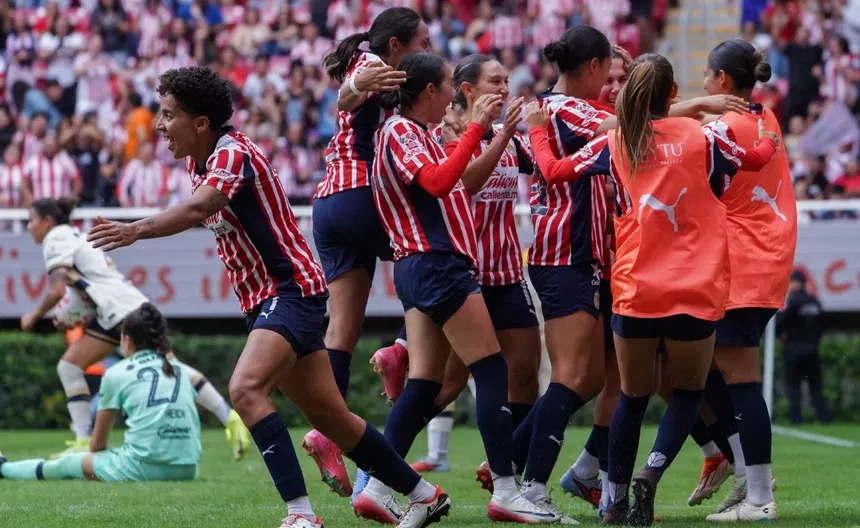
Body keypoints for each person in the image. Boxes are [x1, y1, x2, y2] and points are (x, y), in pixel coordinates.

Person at [86, 66, 449, 528]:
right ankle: (424, 495)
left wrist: (136, 229)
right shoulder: (200, 161)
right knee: (331, 417)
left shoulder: (232, 153)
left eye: (168, 115)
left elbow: (200, 207)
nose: (159, 125)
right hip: (268, 297)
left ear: (201, 123)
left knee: (245, 389)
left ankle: (300, 515)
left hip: (289, 289)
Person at [524, 52, 779, 526]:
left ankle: (615, 501)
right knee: (687, 392)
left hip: (636, 288)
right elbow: (757, 158)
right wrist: (767, 134)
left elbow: (554, 171)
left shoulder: (616, 140)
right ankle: (652, 473)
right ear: (674, 94)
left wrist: (538, 130)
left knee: (632, 397)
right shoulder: (707, 138)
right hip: (696, 287)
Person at [364, 51, 556, 524]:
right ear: (431, 91)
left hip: (423, 267)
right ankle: (507, 490)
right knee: (490, 371)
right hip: (440, 264)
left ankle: (378, 485)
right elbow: (441, 182)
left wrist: (492, 132)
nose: (453, 94)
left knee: (426, 383)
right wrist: (477, 131)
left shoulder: (412, 132)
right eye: (449, 85)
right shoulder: (404, 132)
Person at [392, 55, 539, 477]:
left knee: (526, 376)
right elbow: (463, 182)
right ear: (467, 89)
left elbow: (544, 163)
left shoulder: (509, 139)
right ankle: (382, 463)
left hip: (507, 273)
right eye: (494, 82)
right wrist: (499, 135)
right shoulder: (446, 135)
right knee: (446, 385)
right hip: (466, 276)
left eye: (506, 81)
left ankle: (508, 470)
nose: (504, 89)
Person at [19, 196, 249, 461]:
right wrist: (72, 313)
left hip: (125, 310)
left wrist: (34, 315)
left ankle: (230, 417)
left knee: (171, 368)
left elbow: (58, 289)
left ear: (47, 221)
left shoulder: (56, 237)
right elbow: (82, 286)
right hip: (112, 311)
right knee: (69, 367)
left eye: (31, 220)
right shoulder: (72, 235)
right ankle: (83, 441)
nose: (29, 227)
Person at [307, 7, 428, 494]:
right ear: (396, 45)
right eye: (421, 42)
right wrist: (358, 85)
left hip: (329, 203)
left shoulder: (369, 65)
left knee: (341, 329)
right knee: (435, 267)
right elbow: (348, 93)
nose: (427, 49)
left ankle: (325, 432)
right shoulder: (374, 66)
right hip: (364, 193)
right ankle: (401, 349)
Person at [700, 39, 797, 523]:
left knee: (739, 380)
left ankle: (758, 496)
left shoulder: (722, 128)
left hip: (741, 264)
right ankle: (741, 471)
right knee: (703, 370)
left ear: (722, 80)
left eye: (706, 75)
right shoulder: (766, 117)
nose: (703, 83)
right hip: (768, 259)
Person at [1, 304, 201, 483]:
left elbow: (97, 445)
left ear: (126, 339)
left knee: (68, 463)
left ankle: (4, 468)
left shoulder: (117, 372)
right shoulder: (181, 369)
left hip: (142, 468)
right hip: (189, 469)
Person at [776, 270, 831, 425]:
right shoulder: (814, 302)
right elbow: (822, 326)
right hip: (812, 349)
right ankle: (824, 419)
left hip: (794, 349)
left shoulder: (793, 302)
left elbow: (780, 325)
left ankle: (796, 419)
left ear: (797, 283)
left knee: (794, 387)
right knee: (816, 387)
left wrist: (781, 336)